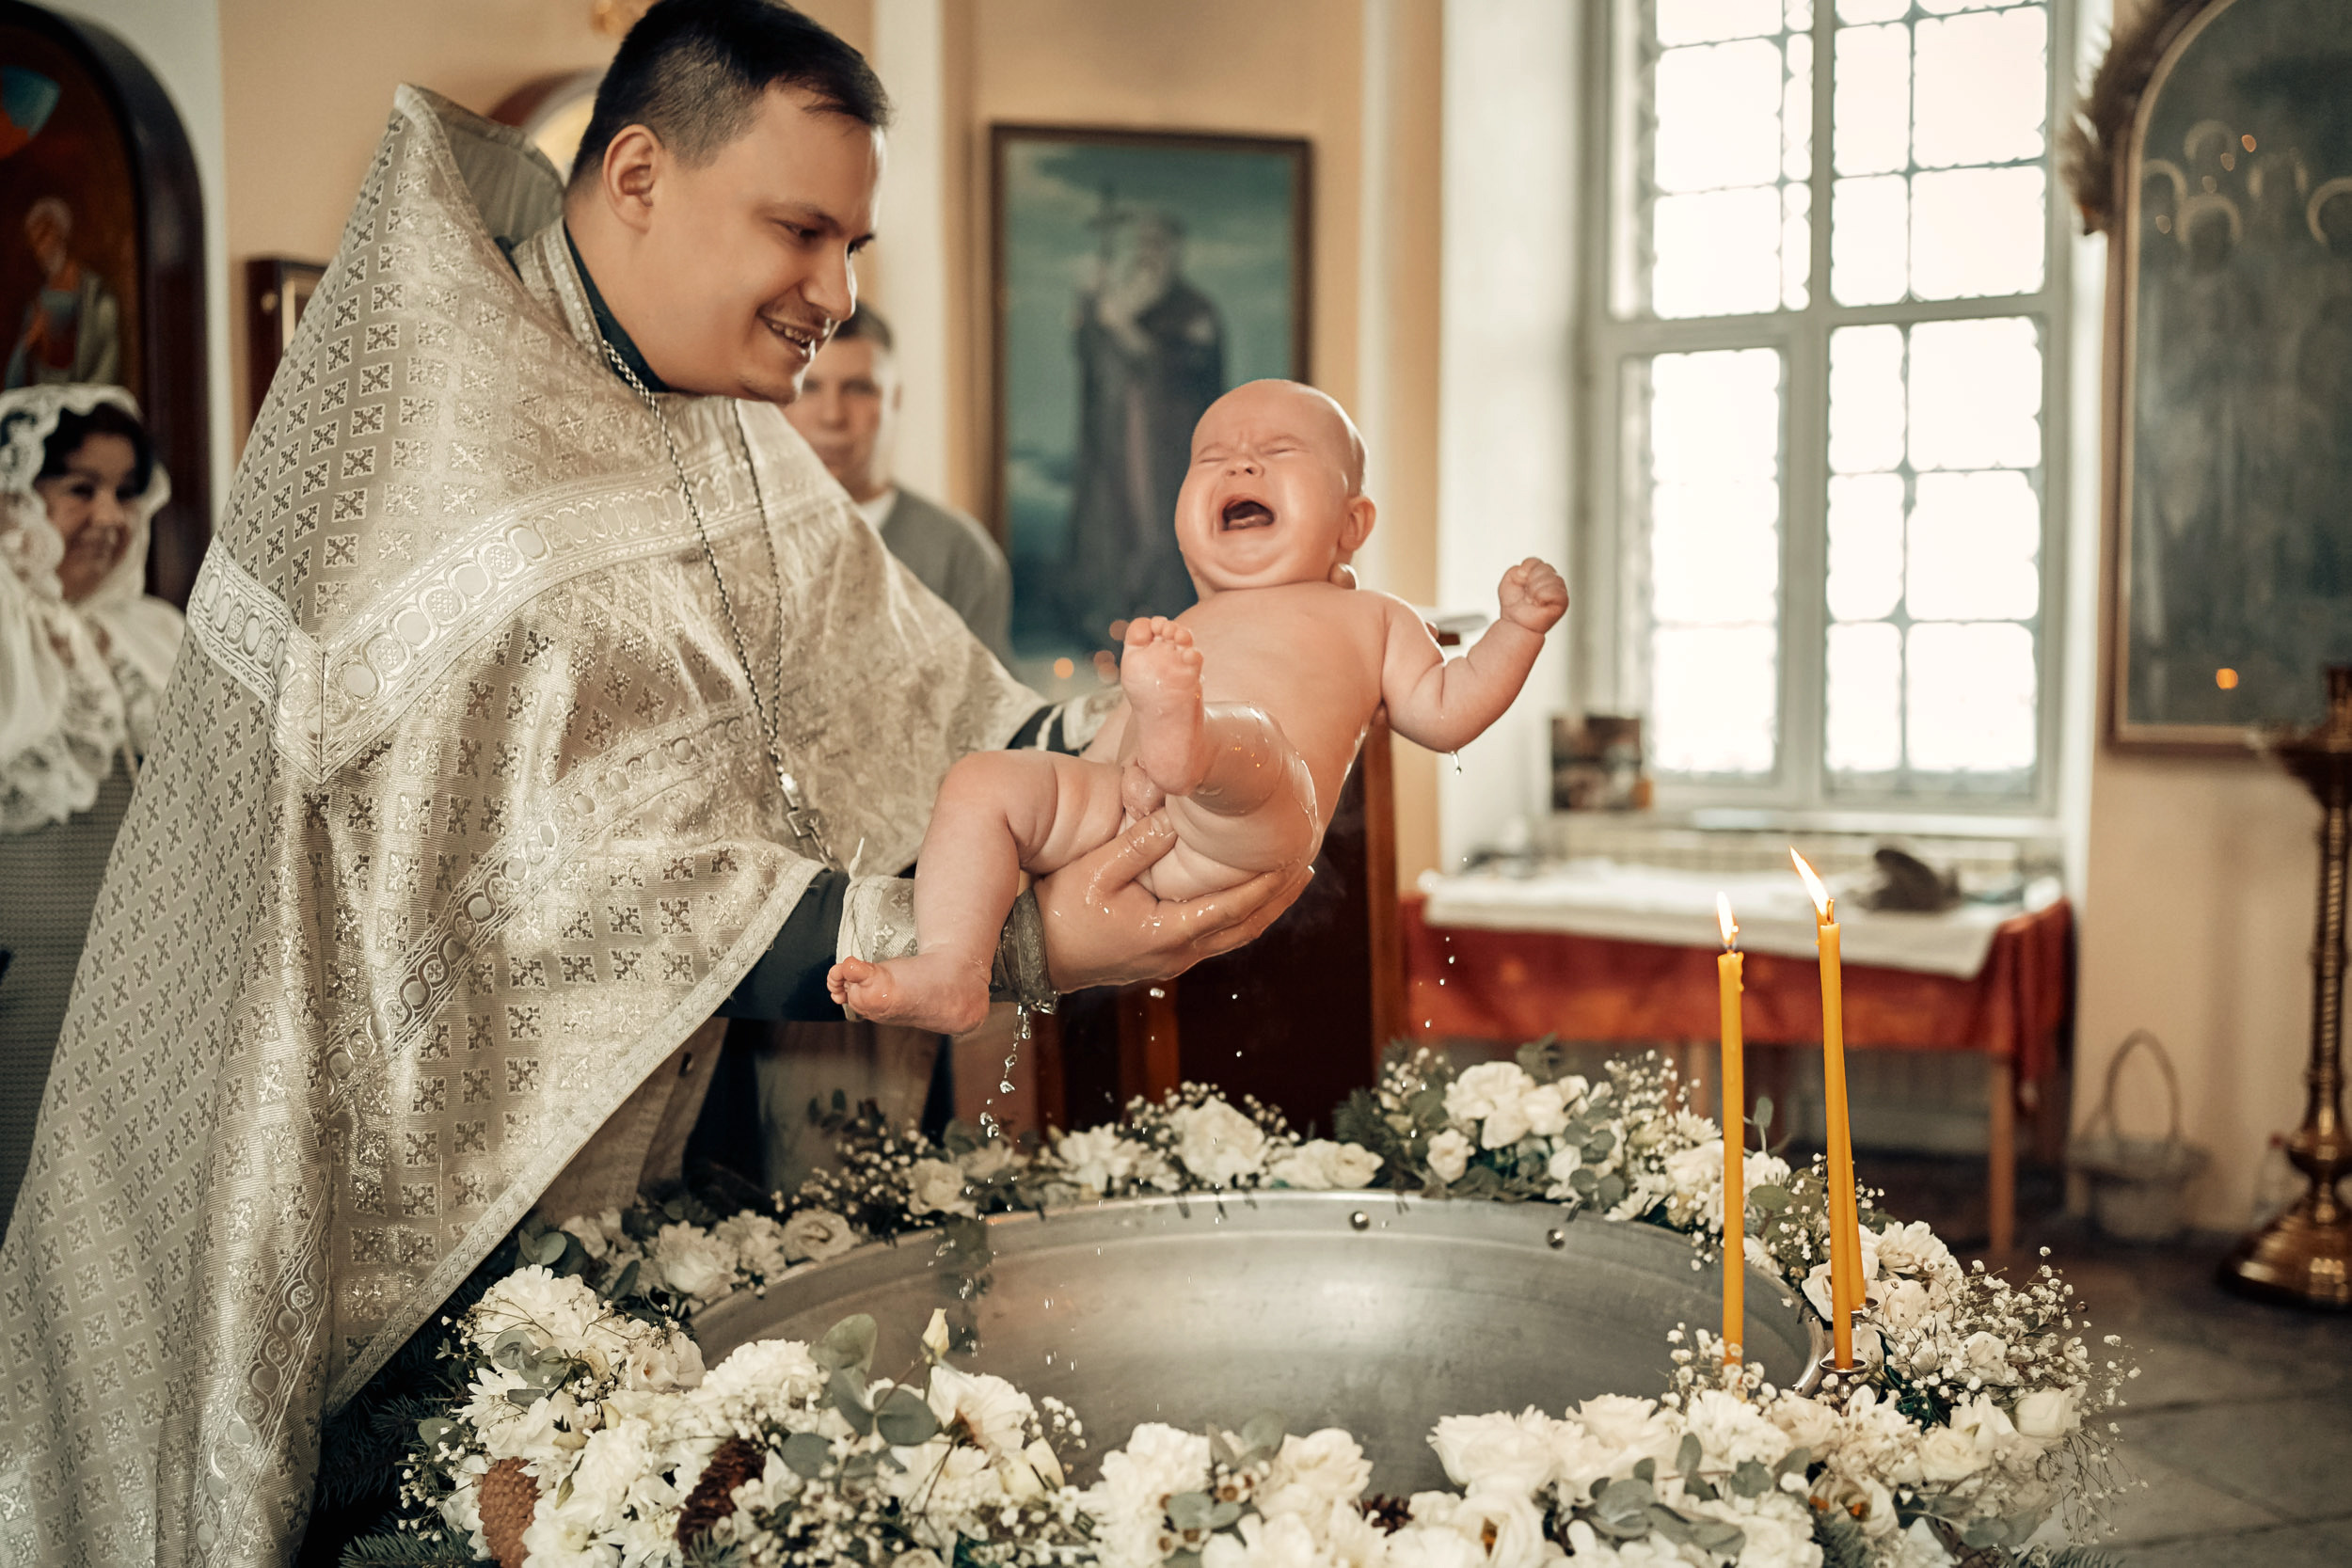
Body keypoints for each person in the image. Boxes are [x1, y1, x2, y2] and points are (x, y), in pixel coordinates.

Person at [0, 5, 1308, 1562]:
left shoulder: (722, 423)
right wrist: (1021, 936)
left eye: (854, 242)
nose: (834, 294)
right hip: (406, 1229)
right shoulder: (453, 432)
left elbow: (904, 690)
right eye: (800, 230)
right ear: (636, 172)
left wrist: (1168, 751)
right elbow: (571, 893)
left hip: (645, 1187)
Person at [832, 380, 1567, 1032]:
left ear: (1352, 524)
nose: (1242, 464)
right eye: (1213, 457)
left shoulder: (1375, 618)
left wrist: (1517, 632)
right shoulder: (1188, 623)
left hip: (1250, 820)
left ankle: (1189, 736)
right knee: (982, 781)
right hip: (1120, 811)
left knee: (1255, 743)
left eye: (1278, 451)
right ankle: (953, 968)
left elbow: (1445, 711)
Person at [0, 385, 180, 1226]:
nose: (108, 514)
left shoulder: (158, 638)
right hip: (17, 995)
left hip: (137, 1009)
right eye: (79, 488)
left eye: (125, 490)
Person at [786, 302, 1011, 662]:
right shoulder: (740, 543)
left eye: (859, 389)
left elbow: (998, 714)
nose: (832, 416)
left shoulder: (959, 554)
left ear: (895, 400)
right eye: (809, 387)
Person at [1063, 208, 1223, 649]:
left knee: (1164, 533)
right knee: (1116, 527)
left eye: (1159, 246)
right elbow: (1094, 359)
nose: (1149, 256)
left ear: (1175, 251)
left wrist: (1124, 330)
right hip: (1119, 443)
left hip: (1169, 449)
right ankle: (1110, 625)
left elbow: (1186, 367)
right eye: (1144, 246)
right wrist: (1092, 310)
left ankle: (1168, 626)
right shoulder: (1129, 301)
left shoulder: (1194, 310)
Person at [6, 198, 124, 389]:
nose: (40, 250)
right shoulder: (37, 304)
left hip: (89, 398)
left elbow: (107, 366)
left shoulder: (97, 296)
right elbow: (16, 380)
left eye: (44, 236)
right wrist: (29, 344)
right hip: (47, 398)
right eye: (35, 242)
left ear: (61, 233)